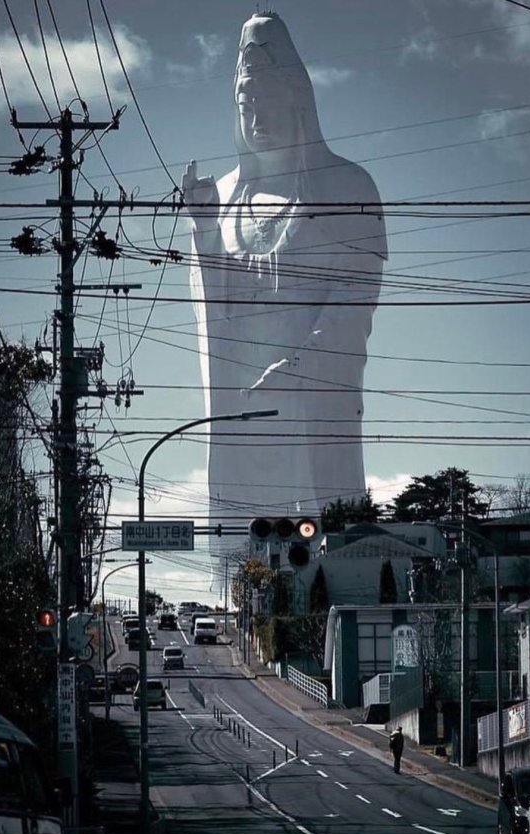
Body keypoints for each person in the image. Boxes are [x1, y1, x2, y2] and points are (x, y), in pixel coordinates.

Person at [181, 12, 387, 557]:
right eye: (245, 102)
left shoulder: (346, 185)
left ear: (299, 98)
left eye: (266, 96)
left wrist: (299, 366)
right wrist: (202, 230)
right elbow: (210, 314)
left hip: (311, 400)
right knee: (243, 545)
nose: (255, 115)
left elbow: (355, 298)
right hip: (240, 405)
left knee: (325, 537)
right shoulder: (223, 195)